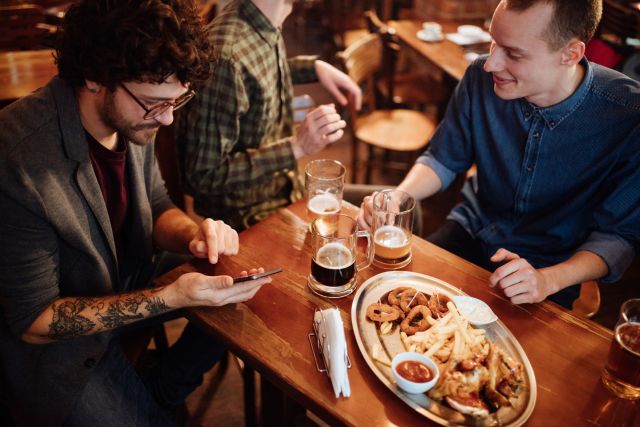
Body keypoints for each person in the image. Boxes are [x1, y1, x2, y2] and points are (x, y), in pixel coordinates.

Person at [0, 1, 271, 425]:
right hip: (60, 343)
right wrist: (170, 297)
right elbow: (34, 321)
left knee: (243, 284)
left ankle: (163, 389)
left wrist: (194, 235)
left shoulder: (131, 120)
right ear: (94, 76)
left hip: (128, 272)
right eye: (153, 104)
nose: (165, 120)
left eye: (175, 102)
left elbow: (158, 206)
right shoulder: (18, 158)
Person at [359, 0, 640, 309]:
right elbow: (443, 158)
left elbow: (619, 236)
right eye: (493, 42)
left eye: (514, 54)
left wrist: (550, 279)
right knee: (392, 301)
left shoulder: (627, 114)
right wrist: (398, 197)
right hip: (470, 230)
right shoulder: (479, 75)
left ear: (570, 54)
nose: (491, 63)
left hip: (549, 268)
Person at [176, 0, 362, 231]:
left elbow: (256, 79)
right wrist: (297, 147)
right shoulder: (227, 56)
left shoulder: (266, 19)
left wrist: (313, 67)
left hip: (284, 190)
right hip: (245, 220)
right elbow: (202, 176)